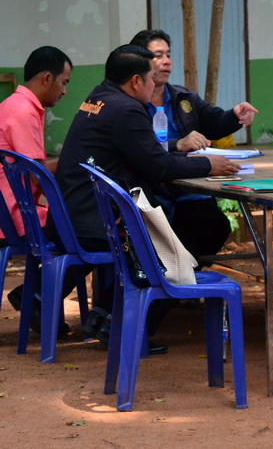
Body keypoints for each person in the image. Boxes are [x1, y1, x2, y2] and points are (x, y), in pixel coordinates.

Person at [54, 44, 240, 351]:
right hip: (99, 221)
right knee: (182, 244)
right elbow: (159, 166)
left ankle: (108, 315)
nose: (156, 85)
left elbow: (149, 158)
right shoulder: (127, 110)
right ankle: (126, 324)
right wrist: (209, 165)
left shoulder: (98, 97)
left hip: (78, 209)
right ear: (136, 81)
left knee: (192, 224)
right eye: (152, 78)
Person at [128, 29, 259, 261]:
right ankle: (171, 278)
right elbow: (139, 148)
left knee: (214, 224)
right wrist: (177, 144)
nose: (166, 61)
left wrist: (235, 115)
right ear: (140, 61)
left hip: (189, 188)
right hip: (153, 189)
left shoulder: (183, 97)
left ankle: (182, 276)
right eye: (158, 56)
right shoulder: (130, 104)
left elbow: (214, 122)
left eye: (168, 55)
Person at [1, 46, 73, 331]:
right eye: (64, 82)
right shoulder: (23, 112)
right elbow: (37, 176)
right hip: (17, 216)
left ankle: (38, 298)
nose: (64, 91)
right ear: (46, 78)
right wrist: (75, 160)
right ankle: (36, 296)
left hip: (13, 211)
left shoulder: (13, 104)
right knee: (92, 234)